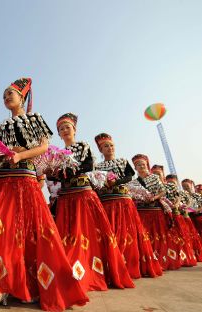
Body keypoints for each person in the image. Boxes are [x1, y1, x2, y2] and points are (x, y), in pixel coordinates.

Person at [0, 78, 88, 312]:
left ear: (23, 97)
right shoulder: (0, 127)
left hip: (26, 181)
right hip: (3, 184)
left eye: (10, 93)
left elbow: (43, 147)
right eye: (3, 95)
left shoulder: (35, 119)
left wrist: (21, 155)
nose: (6, 97)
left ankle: (28, 285)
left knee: (34, 234)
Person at [51, 114, 134, 292]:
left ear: (75, 129)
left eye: (68, 127)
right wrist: (53, 171)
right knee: (68, 234)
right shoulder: (57, 153)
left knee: (88, 233)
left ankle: (90, 271)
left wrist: (67, 172)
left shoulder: (83, 146)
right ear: (59, 134)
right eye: (61, 129)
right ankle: (68, 272)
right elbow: (53, 176)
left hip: (83, 194)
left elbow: (88, 166)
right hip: (66, 196)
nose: (65, 130)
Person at [94, 133, 162, 278]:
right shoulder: (97, 166)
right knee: (110, 233)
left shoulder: (122, 161)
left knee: (127, 233)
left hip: (123, 200)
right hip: (106, 202)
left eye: (111, 145)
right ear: (101, 150)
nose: (110, 148)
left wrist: (115, 182)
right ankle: (113, 266)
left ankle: (130, 265)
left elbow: (130, 176)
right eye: (106, 146)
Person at [132, 155, 181, 271]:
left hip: (156, 210)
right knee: (144, 236)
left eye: (143, 164)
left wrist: (154, 197)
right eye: (138, 165)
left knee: (158, 236)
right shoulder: (134, 182)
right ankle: (146, 262)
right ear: (135, 167)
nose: (141, 166)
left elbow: (163, 191)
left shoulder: (154, 177)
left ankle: (160, 261)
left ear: (147, 166)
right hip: (141, 211)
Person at [151, 165, 196, 267]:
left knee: (176, 237)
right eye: (154, 174)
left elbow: (178, 197)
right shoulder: (151, 185)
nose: (156, 176)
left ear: (163, 175)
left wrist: (175, 204)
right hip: (158, 213)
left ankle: (180, 258)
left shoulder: (170, 186)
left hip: (173, 213)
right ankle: (162, 259)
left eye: (158, 174)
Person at [166, 174, 202, 262]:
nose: (171, 184)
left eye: (173, 183)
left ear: (176, 183)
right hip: (172, 215)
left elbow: (190, 201)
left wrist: (186, 207)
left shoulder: (184, 193)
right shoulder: (165, 191)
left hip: (184, 216)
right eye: (169, 182)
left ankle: (189, 255)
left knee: (186, 235)